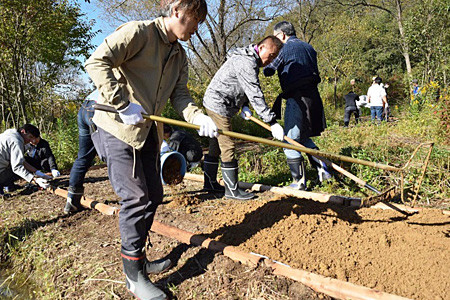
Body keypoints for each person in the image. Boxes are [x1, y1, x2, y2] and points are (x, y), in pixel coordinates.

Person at [84, 1, 218, 299]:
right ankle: (133, 278)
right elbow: (96, 62)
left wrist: (199, 118)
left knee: (154, 196)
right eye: (195, 20)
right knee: (135, 197)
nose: (197, 28)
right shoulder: (138, 33)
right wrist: (122, 103)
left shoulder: (179, 56)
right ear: (177, 12)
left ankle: (139, 261)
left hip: (149, 135)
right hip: (118, 129)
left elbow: (180, 96)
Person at [203, 35, 284, 200]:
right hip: (218, 104)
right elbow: (255, 92)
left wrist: (244, 105)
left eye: (275, 57)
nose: (271, 60)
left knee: (216, 144)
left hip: (218, 102)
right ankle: (232, 191)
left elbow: (244, 88)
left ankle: (210, 183)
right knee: (228, 146)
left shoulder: (250, 60)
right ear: (261, 48)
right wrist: (272, 122)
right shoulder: (246, 62)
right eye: (271, 55)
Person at [263, 21, 331, 191]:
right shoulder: (309, 48)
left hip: (296, 98)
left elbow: (269, 70)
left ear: (282, 35)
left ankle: (299, 182)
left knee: (290, 140)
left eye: (276, 37)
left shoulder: (283, 49)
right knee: (302, 138)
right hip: (313, 97)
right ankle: (323, 170)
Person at [64, 90, 98, 214]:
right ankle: (129, 200)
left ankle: (72, 201)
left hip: (85, 107)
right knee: (115, 155)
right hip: (101, 108)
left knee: (83, 157)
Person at [0, 124, 50, 195]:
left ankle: (8, 186)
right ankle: (4, 186)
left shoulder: (9, 134)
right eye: (30, 137)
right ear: (23, 131)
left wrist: (37, 172)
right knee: (26, 165)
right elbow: (17, 167)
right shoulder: (16, 141)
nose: (31, 141)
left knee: (27, 161)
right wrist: (34, 180)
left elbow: (21, 161)